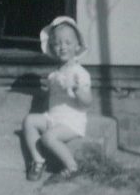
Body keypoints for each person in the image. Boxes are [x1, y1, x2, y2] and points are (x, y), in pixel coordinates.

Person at [22, 16, 92, 181]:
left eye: (68, 43)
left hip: (71, 123)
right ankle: (38, 160)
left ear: (77, 47)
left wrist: (77, 90)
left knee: (48, 137)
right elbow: (52, 99)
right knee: (29, 121)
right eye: (57, 44)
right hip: (53, 119)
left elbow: (88, 101)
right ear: (52, 48)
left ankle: (72, 166)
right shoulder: (54, 74)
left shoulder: (79, 73)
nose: (62, 47)